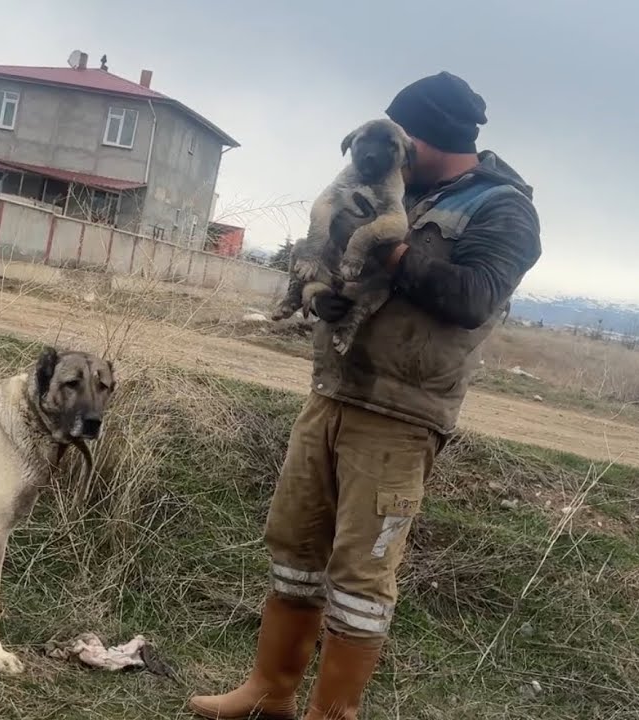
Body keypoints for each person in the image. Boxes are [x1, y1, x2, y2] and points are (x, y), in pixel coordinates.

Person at [187, 71, 543, 720]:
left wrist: (394, 252)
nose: (392, 144)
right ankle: (270, 693)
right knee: (293, 548)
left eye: (404, 132)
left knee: (361, 578)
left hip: (401, 420)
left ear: (431, 134)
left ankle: (333, 714)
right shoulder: (388, 186)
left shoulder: (502, 207)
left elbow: (474, 299)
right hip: (330, 395)